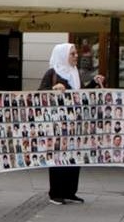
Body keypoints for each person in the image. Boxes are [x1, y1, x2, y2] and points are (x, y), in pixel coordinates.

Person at [40, 43, 105, 205]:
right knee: (58, 158)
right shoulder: (53, 72)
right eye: (73, 54)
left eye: (76, 54)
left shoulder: (74, 73)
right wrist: (54, 89)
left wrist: (93, 84)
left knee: (74, 157)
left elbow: (80, 94)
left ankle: (70, 191)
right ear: (62, 56)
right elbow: (40, 93)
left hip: (75, 124)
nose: (76, 56)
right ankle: (56, 193)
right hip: (58, 124)